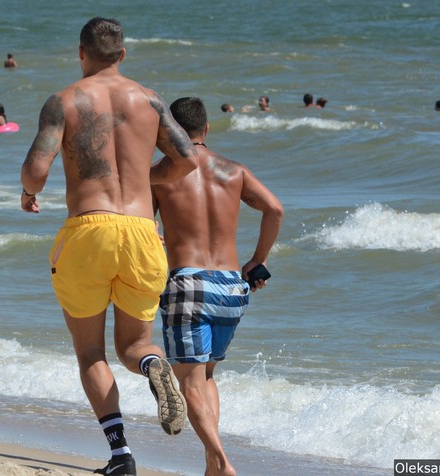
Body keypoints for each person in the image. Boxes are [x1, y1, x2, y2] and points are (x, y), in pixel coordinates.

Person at [20, 17, 197, 476]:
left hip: (88, 231)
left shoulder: (63, 101)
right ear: (123, 55)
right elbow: (187, 159)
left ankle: (121, 455)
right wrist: (142, 177)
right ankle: (153, 364)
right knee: (134, 345)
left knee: (90, 353)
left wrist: (29, 193)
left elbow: (36, 169)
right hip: (142, 231)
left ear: (80, 53)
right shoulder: (150, 99)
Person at [152, 97, 284, 476]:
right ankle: (212, 464)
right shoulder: (234, 170)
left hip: (187, 285)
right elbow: (275, 209)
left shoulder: (160, 173)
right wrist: (257, 261)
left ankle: (222, 462)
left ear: (169, 133)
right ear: (206, 129)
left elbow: (145, 229)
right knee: (207, 375)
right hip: (230, 287)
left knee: (189, 381)